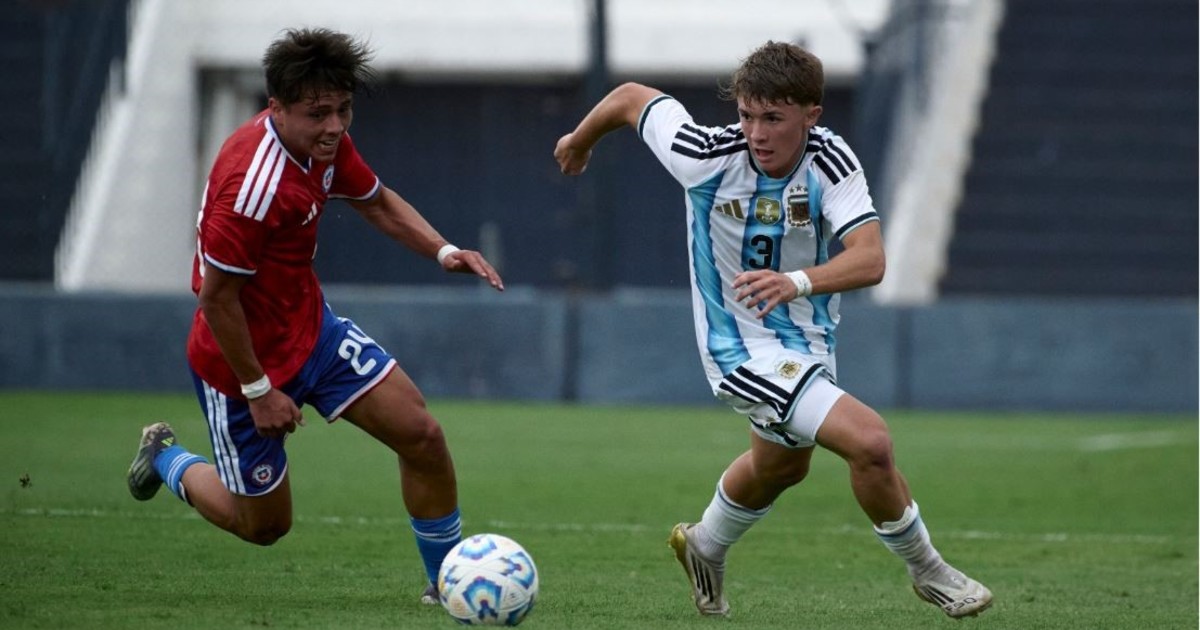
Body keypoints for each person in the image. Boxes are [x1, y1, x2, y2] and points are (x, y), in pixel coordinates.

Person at [554, 41, 992, 619]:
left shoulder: (830, 160)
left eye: (773, 118)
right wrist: (579, 140)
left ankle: (706, 543)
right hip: (737, 347)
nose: (757, 133)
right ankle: (929, 570)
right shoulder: (706, 155)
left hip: (808, 342)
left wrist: (795, 282)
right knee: (870, 442)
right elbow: (633, 98)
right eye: (746, 115)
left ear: (811, 115)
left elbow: (871, 260)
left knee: (782, 466)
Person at [126, 27, 504, 605]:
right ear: (275, 106)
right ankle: (166, 458)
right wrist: (258, 390)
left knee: (422, 436)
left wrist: (443, 250)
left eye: (343, 109)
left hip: (313, 333)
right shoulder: (251, 189)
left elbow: (376, 201)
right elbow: (217, 300)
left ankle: (446, 584)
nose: (334, 126)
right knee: (263, 526)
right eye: (318, 114)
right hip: (239, 364)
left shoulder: (323, 145)